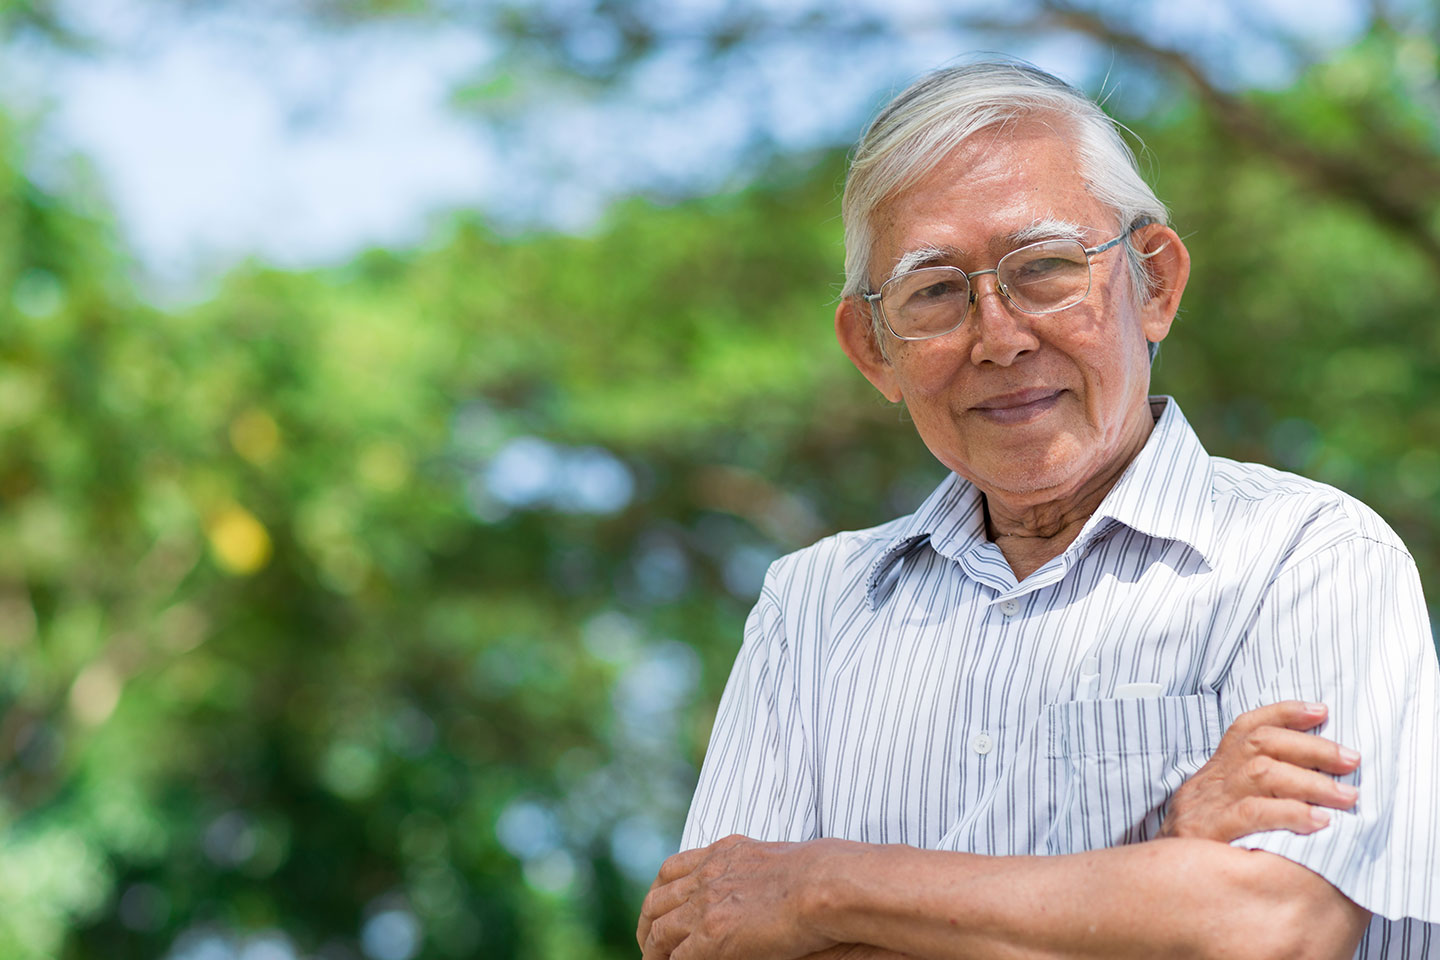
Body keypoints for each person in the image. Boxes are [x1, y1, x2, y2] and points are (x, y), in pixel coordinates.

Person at [637, 60, 1440, 959]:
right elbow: (709, 938)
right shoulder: (812, 609)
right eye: (934, 291)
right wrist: (1163, 869)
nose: (1000, 337)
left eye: (1046, 268)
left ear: (1155, 284)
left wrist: (823, 886)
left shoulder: (1310, 556)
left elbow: (1274, 927)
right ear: (873, 350)